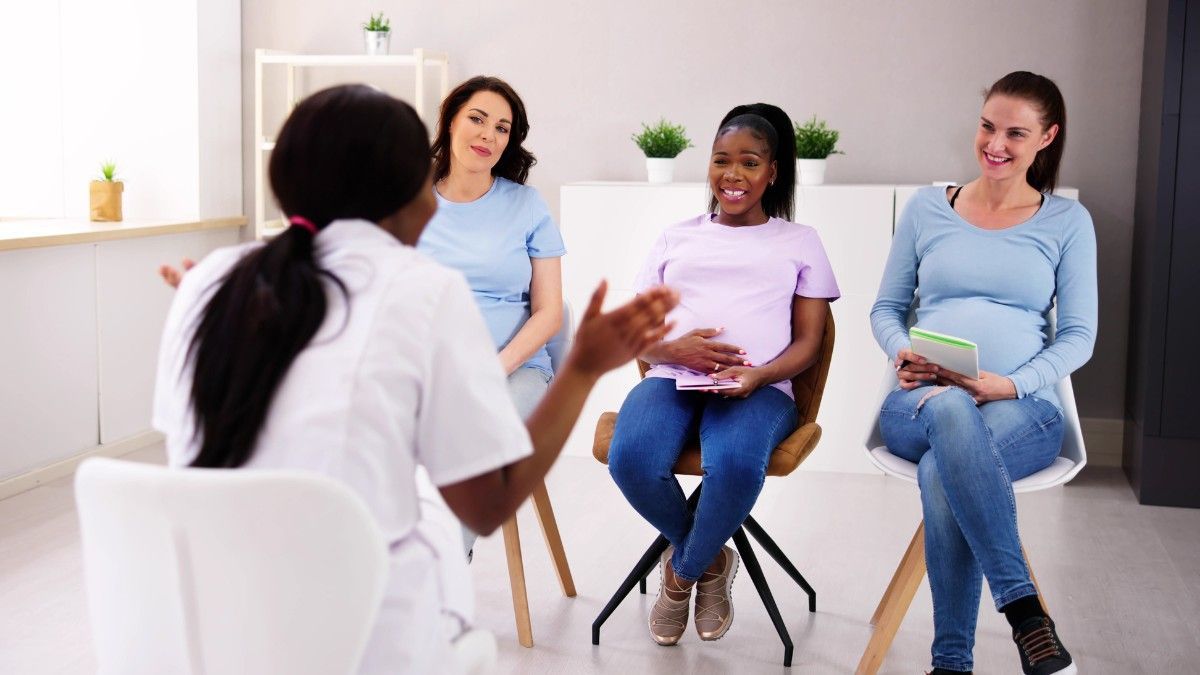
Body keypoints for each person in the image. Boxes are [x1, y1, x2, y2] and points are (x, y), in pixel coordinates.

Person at [151, 84, 678, 673]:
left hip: (213, 628)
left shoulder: (216, 284)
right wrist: (583, 367)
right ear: (409, 191)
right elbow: (486, 506)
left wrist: (217, 302)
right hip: (370, 637)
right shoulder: (425, 293)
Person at [870, 71, 1095, 675]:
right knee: (947, 410)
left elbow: (1078, 337)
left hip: (1024, 409)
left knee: (949, 467)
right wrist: (903, 353)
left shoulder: (1068, 223)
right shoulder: (927, 207)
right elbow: (886, 310)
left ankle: (951, 664)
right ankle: (1027, 617)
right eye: (988, 126)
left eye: (1015, 133)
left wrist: (1009, 384)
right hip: (920, 398)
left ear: (1046, 138)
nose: (996, 144)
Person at [606, 103, 840, 646]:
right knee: (632, 458)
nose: (732, 175)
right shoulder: (675, 237)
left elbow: (810, 343)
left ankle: (680, 575)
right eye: (720, 161)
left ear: (773, 172)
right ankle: (711, 558)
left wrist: (759, 377)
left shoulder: (799, 241)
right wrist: (674, 349)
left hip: (758, 388)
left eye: (749, 163)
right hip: (671, 378)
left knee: (734, 463)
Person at [417, 76, 565, 554]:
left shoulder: (526, 205)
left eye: (502, 128)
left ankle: (440, 574)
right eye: (477, 119)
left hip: (513, 369)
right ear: (450, 121)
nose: (488, 136)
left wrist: (492, 369)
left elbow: (549, 312)